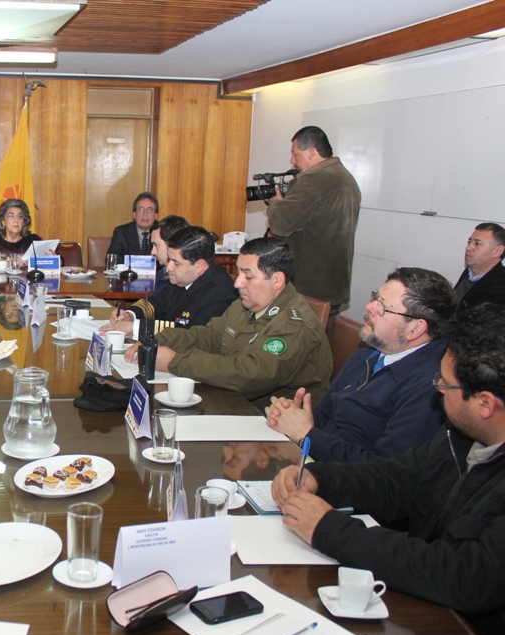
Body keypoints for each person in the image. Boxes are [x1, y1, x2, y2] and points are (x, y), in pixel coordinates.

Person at [272, 303, 505, 635]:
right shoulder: (461, 435)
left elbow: (465, 576)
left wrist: (330, 529)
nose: (437, 391)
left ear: (485, 404)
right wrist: (320, 477)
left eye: (444, 384)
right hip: (423, 616)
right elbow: (396, 479)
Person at [265, 267, 455, 462]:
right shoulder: (365, 357)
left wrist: (308, 435)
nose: (369, 306)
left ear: (415, 329)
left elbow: (383, 472)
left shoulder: (430, 388)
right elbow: (323, 417)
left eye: (382, 306)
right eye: (375, 297)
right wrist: (293, 416)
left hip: (348, 483)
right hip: (315, 462)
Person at [124, 237, 331, 409]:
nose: (238, 283)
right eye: (239, 273)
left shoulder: (294, 325)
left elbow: (248, 374)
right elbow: (209, 336)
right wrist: (156, 341)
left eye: (247, 276)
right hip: (232, 403)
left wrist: (175, 362)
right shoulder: (247, 304)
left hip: (269, 424)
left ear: (277, 280)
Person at [265, 126, 361, 334]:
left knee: (301, 348)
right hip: (334, 282)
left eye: (294, 153)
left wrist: (276, 204)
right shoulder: (346, 178)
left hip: (309, 286)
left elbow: (280, 225)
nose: (292, 160)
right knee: (322, 345)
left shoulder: (314, 181)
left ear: (311, 152)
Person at [100, 225, 237, 336]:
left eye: (176, 263)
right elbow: (155, 303)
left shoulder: (220, 293)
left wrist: (135, 327)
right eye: (170, 260)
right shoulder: (182, 279)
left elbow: (189, 332)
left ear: (199, 266)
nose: (169, 267)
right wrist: (130, 315)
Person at [455, 222, 505, 310]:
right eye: (469, 242)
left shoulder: (500, 288)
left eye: (477, 243)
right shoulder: (471, 270)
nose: (468, 247)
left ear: (497, 251)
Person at [107, 192, 159, 257]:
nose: (145, 214)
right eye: (141, 209)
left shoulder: (162, 233)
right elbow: (111, 259)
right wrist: (137, 263)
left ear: (156, 215)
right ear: (134, 214)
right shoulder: (121, 232)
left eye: (149, 209)